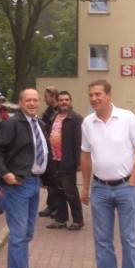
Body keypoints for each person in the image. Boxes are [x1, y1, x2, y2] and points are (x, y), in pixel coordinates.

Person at [80, 79, 135, 268]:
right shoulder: (87, 123)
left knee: (129, 239)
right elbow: (85, 156)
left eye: (98, 94)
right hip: (100, 189)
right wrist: (85, 187)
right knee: (102, 241)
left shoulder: (127, 118)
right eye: (91, 95)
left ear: (109, 95)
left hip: (125, 188)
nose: (94, 98)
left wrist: (132, 181)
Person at [0, 88, 48, 268]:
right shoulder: (11, 124)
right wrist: (5, 174)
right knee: (19, 232)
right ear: (20, 102)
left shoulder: (40, 124)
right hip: (18, 185)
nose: (32, 103)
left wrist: (47, 179)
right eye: (28, 100)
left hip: (35, 183)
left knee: (27, 232)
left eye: (35, 100)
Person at [45, 91, 85, 231]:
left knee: (70, 191)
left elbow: (78, 141)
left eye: (67, 99)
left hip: (67, 161)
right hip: (54, 160)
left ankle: (78, 220)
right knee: (57, 191)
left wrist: (78, 162)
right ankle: (61, 220)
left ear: (70, 101)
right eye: (61, 100)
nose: (64, 102)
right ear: (58, 101)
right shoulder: (54, 117)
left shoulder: (76, 118)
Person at [38, 86, 62, 218]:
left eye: (46, 96)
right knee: (50, 178)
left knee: (58, 180)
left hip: (58, 152)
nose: (44, 99)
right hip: (49, 150)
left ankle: (58, 207)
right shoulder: (47, 113)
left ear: (53, 96)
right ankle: (51, 205)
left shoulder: (61, 112)